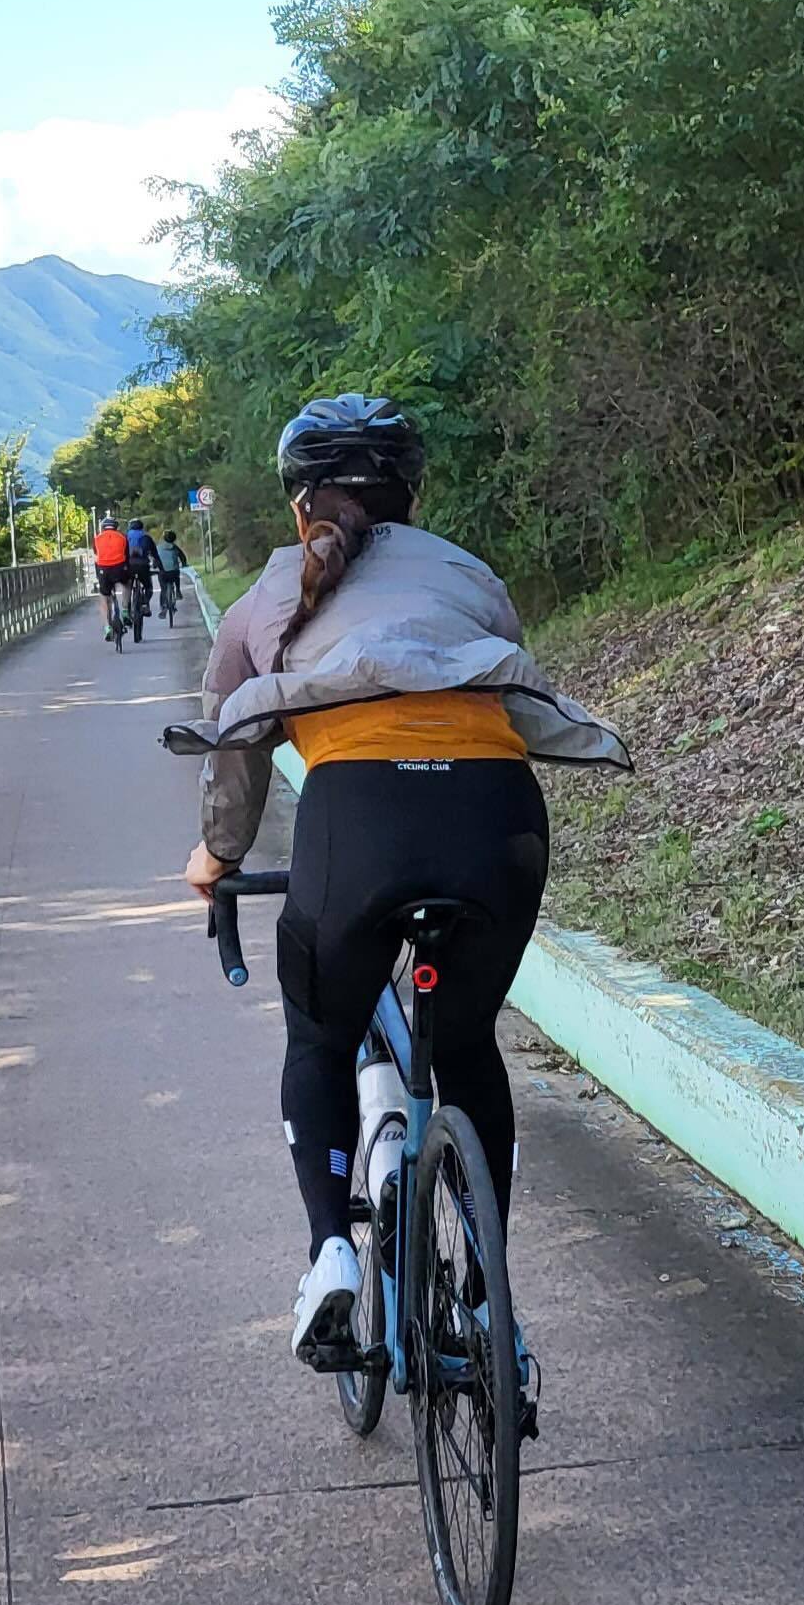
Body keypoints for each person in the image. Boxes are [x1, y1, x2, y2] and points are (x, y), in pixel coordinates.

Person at [179, 393, 629, 1365]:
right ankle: (490, 1287)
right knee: (466, 1042)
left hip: (359, 827)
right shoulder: (470, 572)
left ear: (304, 507)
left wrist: (217, 856)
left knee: (321, 1031)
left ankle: (331, 1253)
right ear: (413, 497)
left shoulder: (268, 591)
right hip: (497, 818)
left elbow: (236, 747)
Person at [93, 512, 131, 637]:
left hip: (104, 570)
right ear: (116, 527)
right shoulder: (122, 537)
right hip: (120, 568)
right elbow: (127, 556)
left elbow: (96, 557)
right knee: (127, 584)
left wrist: (98, 575)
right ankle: (125, 610)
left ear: (103, 528)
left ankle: (107, 627)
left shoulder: (97, 539)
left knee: (104, 596)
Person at [125, 517, 158, 618]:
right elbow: (154, 553)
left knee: (127, 588)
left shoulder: (125, 537)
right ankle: (144, 604)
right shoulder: (146, 537)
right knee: (148, 587)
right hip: (143, 566)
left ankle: (127, 609)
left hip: (129, 566)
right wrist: (158, 564)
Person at [155, 531, 185, 613]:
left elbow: (155, 559)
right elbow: (182, 557)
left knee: (163, 589)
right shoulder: (175, 547)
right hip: (173, 572)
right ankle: (178, 591)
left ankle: (163, 607)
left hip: (162, 572)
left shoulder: (158, 547)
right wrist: (184, 564)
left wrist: (155, 566)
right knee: (176, 575)